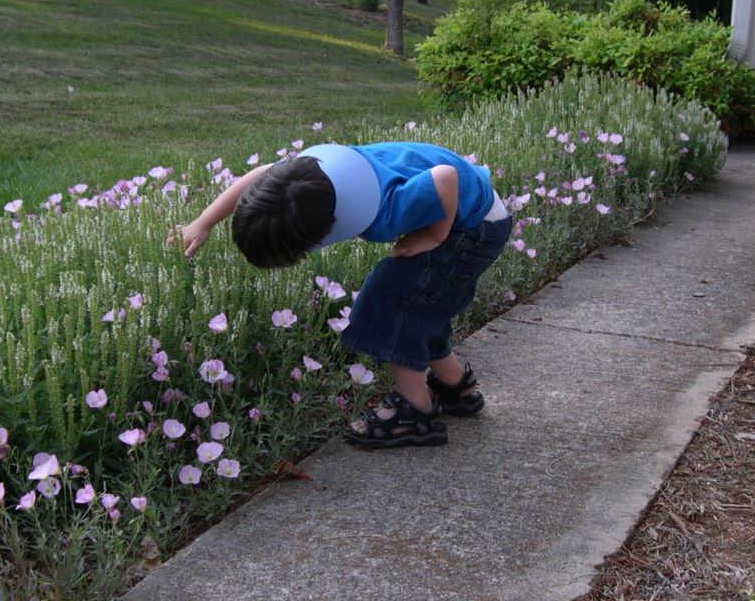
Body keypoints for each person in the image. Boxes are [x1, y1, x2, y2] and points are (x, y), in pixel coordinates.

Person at [173, 141, 512, 448]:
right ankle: (457, 388)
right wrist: (204, 221)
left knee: (395, 305)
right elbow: (260, 175)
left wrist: (435, 237)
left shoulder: (388, 209)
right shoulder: (306, 180)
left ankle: (417, 412)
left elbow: (445, 179)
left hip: (472, 228)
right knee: (424, 304)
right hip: (466, 211)